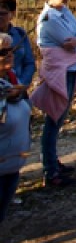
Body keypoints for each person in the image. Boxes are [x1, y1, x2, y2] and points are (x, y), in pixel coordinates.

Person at [31, 0, 76, 188]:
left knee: (59, 119)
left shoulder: (64, 12)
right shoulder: (48, 20)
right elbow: (69, 42)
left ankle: (53, 161)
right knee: (53, 120)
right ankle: (50, 170)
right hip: (59, 72)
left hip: (71, 69)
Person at [0, 32, 31, 225]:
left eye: (12, 50)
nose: (9, 54)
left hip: (12, 165)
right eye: (3, 52)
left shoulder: (11, 79)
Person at [0, 0, 34, 87]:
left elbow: (29, 63)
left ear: (12, 14)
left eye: (3, 13)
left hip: (18, 86)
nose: (0, 17)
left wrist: (20, 84)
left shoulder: (20, 34)